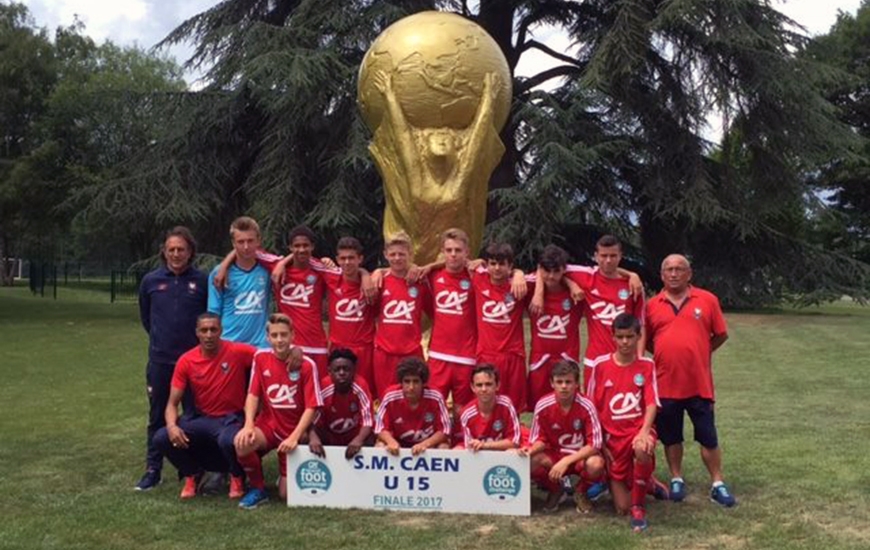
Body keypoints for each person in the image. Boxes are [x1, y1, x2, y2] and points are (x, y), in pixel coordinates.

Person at [645, 254, 735, 507]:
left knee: (708, 437)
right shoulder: (652, 305)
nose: (674, 274)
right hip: (665, 383)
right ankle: (676, 478)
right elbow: (648, 340)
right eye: (669, 270)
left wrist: (700, 352)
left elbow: (720, 335)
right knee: (672, 437)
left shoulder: (707, 300)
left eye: (679, 269)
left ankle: (717, 483)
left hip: (699, 384)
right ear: (662, 275)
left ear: (689, 273)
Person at [136, 226, 208, 491]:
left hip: (193, 363)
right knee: (157, 417)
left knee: (191, 417)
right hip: (160, 362)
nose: (176, 254)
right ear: (164, 252)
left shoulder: (201, 281)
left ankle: (189, 469)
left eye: (182, 249)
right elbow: (146, 318)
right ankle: (153, 470)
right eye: (172, 249)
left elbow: (207, 319)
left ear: (190, 253)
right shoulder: (151, 281)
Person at [152, 313, 255, 499]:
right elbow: (172, 403)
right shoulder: (186, 360)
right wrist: (172, 426)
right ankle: (193, 474)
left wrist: (294, 353)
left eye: (213, 330)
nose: (209, 335)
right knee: (161, 438)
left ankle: (237, 475)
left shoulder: (238, 352)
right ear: (197, 333)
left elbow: (269, 357)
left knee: (228, 440)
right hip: (201, 419)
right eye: (204, 330)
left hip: (230, 419)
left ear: (220, 331)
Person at [234, 313, 322, 509]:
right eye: (274, 335)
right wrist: (249, 424)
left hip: (293, 431)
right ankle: (258, 488)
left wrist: (294, 437)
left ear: (292, 335)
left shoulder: (307, 365)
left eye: (284, 335)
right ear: (268, 337)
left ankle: (283, 477)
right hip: (269, 425)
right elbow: (253, 395)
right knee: (242, 443)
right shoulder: (260, 357)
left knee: (286, 495)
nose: (279, 340)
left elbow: (312, 407)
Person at [588, 313, 662, 532]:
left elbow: (651, 403)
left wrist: (644, 431)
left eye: (630, 337)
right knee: (621, 507)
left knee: (642, 448)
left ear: (639, 336)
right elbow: (591, 408)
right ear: (613, 337)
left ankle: (639, 508)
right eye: (620, 337)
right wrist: (600, 444)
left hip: (637, 432)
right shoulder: (600, 365)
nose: (625, 342)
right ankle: (645, 481)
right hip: (612, 439)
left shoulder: (647, 365)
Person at [521, 360, 605, 514]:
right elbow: (539, 440)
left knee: (596, 464)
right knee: (531, 460)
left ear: (576, 384)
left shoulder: (587, 405)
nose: (564, 386)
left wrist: (566, 461)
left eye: (568, 382)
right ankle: (556, 489)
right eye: (559, 382)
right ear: (552, 383)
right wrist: (530, 450)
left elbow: (595, 444)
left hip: (580, 457)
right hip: (555, 455)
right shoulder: (543, 405)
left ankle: (581, 491)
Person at [372, 232, 432, 398]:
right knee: (386, 398)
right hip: (384, 353)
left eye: (402, 254)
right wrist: (376, 272)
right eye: (393, 254)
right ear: (385, 255)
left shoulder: (420, 282)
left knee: (415, 398)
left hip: (411, 352)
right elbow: (369, 313)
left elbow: (436, 312)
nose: (397, 258)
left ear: (410, 254)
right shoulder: (378, 281)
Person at [472, 242, 529, 412]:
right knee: (486, 402)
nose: (497, 268)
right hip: (486, 354)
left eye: (502, 264)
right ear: (487, 264)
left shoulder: (520, 285)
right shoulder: (478, 278)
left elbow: (546, 273)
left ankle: (514, 436)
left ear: (510, 266)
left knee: (513, 407)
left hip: (513, 355)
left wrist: (519, 274)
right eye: (493, 263)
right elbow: (456, 261)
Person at [526, 245, 584, 409]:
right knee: (538, 407)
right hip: (540, 359)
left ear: (563, 270)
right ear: (539, 269)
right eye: (546, 271)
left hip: (567, 357)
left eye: (556, 271)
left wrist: (571, 283)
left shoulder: (576, 292)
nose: (551, 276)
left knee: (569, 406)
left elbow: (600, 272)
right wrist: (538, 291)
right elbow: (510, 274)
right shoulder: (529, 289)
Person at [425, 228, 478, 408]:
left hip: (467, 355)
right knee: (434, 405)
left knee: (462, 408)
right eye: (449, 250)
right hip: (438, 354)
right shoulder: (431, 276)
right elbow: (401, 269)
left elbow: (504, 270)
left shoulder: (476, 276)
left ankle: (460, 437)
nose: (453, 254)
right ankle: (438, 437)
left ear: (467, 252)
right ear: (442, 251)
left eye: (458, 250)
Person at [321, 237, 378, 391]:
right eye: (343, 258)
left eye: (351, 258)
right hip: (337, 348)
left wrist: (366, 274)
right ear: (337, 260)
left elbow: (393, 271)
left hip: (364, 349)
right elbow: (305, 258)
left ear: (360, 259)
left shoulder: (373, 281)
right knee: (337, 391)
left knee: (365, 391)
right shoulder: (331, 277)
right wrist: (324, 260)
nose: (347, 262)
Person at [208, 217, 270, 349]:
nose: (246, 247)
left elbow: (295, 261)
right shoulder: (219, 273)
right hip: (230, 344)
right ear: (233, 243)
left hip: (260, 346)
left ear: (258, 240)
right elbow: (213, 313)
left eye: (250, 241)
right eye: (241, 242)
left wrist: (324, 261)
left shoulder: (267, 269)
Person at [375, 358, 451, 455]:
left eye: (416, 382)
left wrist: (424, 444)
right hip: (398, 444)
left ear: (423, 383)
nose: (411, 387)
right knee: (380, 446)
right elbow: (380, 428)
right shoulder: (390, 396)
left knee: (443, 447)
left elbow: (445, 430)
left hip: (428, 445)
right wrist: (391, 442)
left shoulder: (436, 397)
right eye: (407, 381)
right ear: (401, 383)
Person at [308, 348, 375, 459]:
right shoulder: (324, 388)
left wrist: (358, 440)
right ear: (329, 371)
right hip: (330, 436)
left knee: (371, 437)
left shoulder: (361, 386)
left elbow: (368, 421)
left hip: (354, 436)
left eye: (346, 369)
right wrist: (313, 438)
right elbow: (310, 420)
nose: (342, 373)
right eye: (337, 369)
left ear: (354, 370)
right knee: (306, 436)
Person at [454, 364, 521, 451]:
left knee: (512, 451)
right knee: (458, 450)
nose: (484, 389)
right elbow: (470, 449)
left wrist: (485, 445)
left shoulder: (506, 405)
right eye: (479, 385)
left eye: (488, 384)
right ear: (472, 387)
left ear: (497, 385)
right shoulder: (466, 414)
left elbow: (515, 442)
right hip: (477, 456)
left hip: (501, 453)